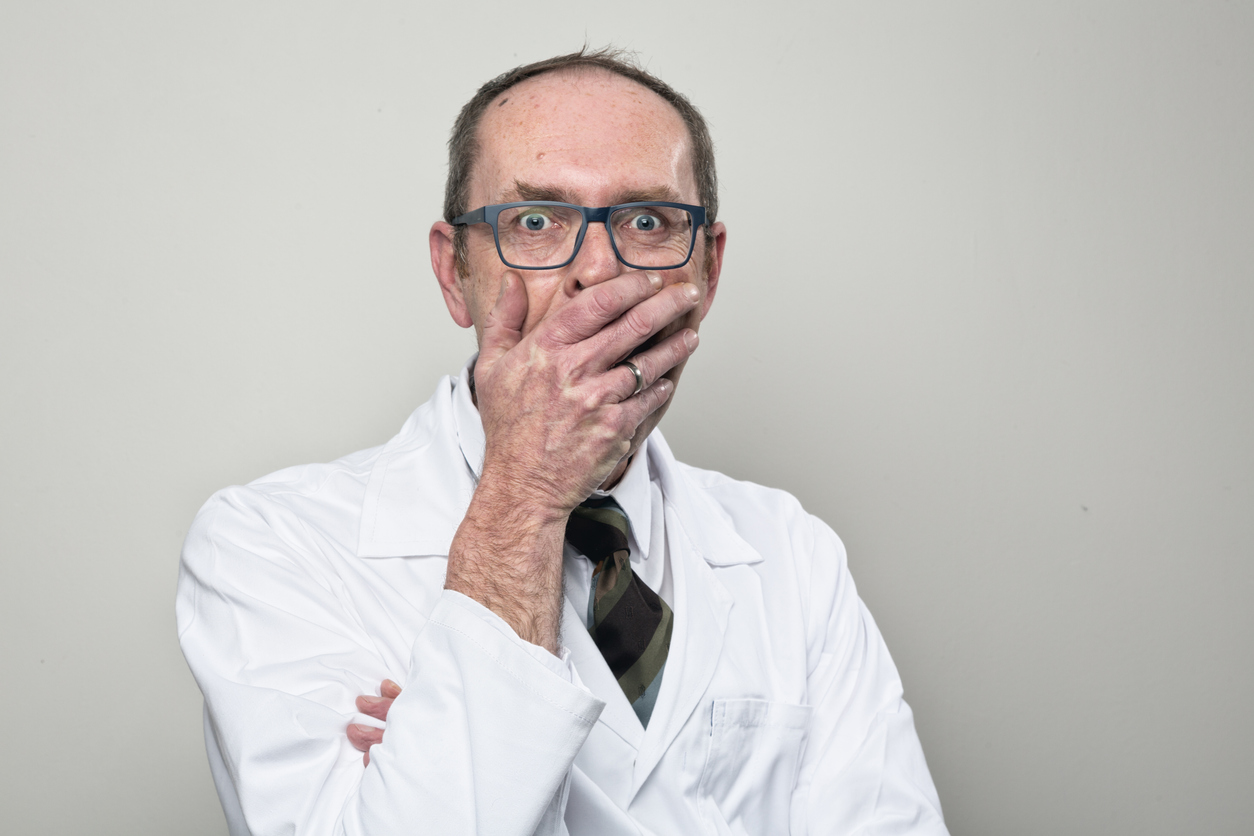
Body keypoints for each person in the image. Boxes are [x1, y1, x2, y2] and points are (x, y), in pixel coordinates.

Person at [177, 48, 948, 835]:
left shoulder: (793, 555)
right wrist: (528, 493)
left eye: (647, 222)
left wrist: (445, 746)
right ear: (454, 273)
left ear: (707, 273)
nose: (598, 270)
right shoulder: (271, 545)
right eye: (538, 222)